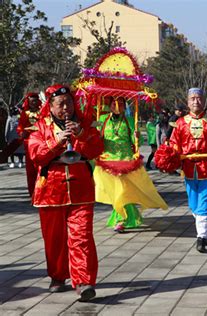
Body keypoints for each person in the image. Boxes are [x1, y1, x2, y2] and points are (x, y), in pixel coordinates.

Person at [28, 84, 104, 301]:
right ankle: (58, 276)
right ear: (50, 106)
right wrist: (56, 141)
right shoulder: (40, 128)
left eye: (69, 102)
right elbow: (36, 156)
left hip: (80, 187)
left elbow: (97, 149)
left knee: (82, 237)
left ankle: (83, 281)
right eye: (60, 104)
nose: (66, 107)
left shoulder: (84, 125)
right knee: (54, 239)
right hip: (51, 189)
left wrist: (81, 135)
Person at [94, 97, 168, 233]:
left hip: (126, 161)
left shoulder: (129, 120)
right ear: (109, 105)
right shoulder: (102, 119)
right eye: (114, 104)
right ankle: (127, 216)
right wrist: (95, 135)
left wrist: (137, 137)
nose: (117, 106)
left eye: (121, 104)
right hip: (108, 161)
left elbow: (136, 144)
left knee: (122, 191)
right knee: (116, 191)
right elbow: (93, 136)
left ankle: (120, 219)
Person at [166, 88, 207, 253]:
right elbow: (174, 143)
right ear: (187, 102)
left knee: (204, 203)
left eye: (199, 98)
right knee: (193, 204)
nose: (196, 101)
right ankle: (206, 229)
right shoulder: (181, 123)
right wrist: (171, 156)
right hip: (189, 168)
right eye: (192, 99)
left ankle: (201, 238)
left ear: (203, 100)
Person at [17, 92, 42, 197]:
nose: (34, 103)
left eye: (35, 100)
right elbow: (20, 127)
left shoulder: (42, 111)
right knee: (31, 170)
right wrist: (22, 132)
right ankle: (33, 194)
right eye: (31, 101)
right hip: (29, 144)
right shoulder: (25, 113)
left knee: (41, 168)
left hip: (41, 144)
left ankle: (42, 192)